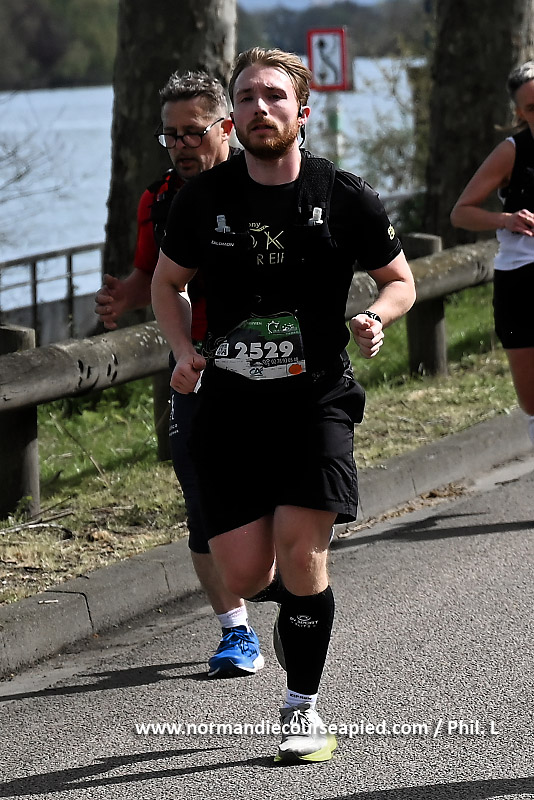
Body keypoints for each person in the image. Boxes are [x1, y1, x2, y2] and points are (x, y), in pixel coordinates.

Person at [152, 47, 416, 764]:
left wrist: (378, 316)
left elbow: (400, 279)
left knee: (302, 555)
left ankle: (302, 709)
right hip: (230, 407)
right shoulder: (203, 199)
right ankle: (297, 606)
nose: (259, 107)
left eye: (273, 95)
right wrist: (183, 350)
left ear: (302, 110)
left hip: (315, 399)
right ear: (232, 117)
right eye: (245, 97)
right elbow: (168, 284)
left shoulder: (346, 195)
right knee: (245, 576)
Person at [94, 70, 265, 679]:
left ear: (225, 127)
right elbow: (153, 275)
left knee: (272, 487)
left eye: (192, 132)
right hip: (194, 362)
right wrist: (126, 294)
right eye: (170, 135)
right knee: (199, 493)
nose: (181, 146)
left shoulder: (265, 181)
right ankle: (235, 631)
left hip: (268, 358)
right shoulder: (158, 198)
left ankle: (283, 581)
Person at [451, 60, 534, 445]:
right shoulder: (512, 152)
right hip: (521, 280)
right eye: (532, 108)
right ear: (520, 113)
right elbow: (461, 213)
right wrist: (506, 219)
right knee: (531, 401)